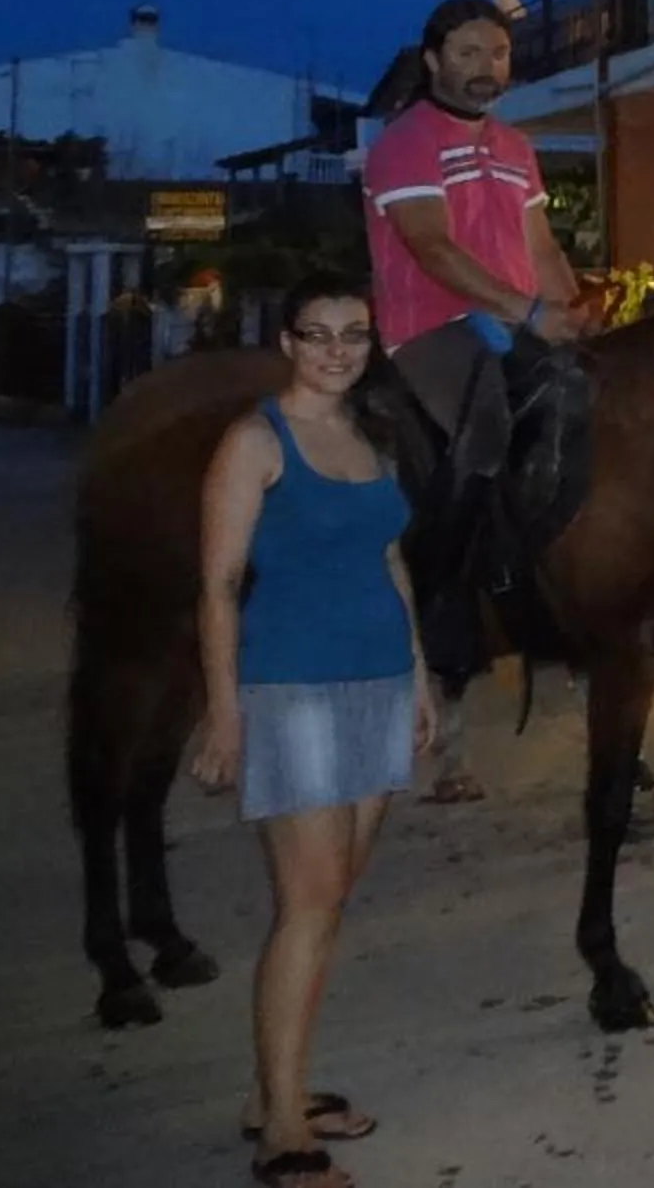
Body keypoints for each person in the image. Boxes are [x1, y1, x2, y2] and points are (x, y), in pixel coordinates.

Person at [189, 272, 438, 1188]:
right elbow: (218, 587)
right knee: (307, 904)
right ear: (288, 342)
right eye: (319, 333)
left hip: (378, 682)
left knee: (330, 899)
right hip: (291, 689)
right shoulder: (256, 441)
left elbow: (390, 558)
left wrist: (418, 676)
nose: (338, 350)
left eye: (354, 334)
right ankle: (282, 1133)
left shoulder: (370, 435)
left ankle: (276, 1091)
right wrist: (225, 715)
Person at [359, 0, 595, 680]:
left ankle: (551, 585)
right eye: (467, 53)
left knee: (596, 406)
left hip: (517, 318)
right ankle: (438, 596)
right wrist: (529, 312)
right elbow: (431, 247)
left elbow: (541, 247)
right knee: (487, 425)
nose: (486, 66)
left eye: (497, 53)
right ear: (433, 60)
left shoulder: (515, 147)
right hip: (433, 326)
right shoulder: (407, 141)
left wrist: (573, 313)